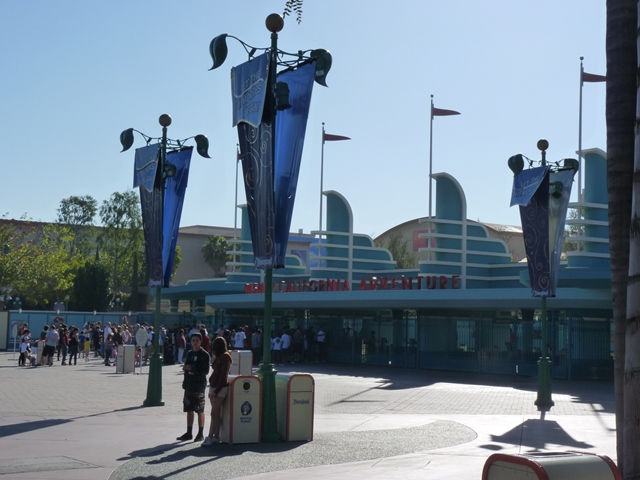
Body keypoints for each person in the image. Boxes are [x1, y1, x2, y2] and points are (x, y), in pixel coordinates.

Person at [177, 333, 210, 442]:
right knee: (189, 409)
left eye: (197, 340)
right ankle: (189, 432)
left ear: (200, 341)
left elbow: (205, 371)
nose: (195, 342)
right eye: (193, 340)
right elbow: (187, 366)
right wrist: (185, 368)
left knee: (199, 409)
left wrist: (192, 368)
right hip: (189, 385)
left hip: (199, 385)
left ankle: (200, 433)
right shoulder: (190, 353)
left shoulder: (204, 355)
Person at [202, 336, 232, 446]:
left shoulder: (225, 357)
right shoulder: (219, 356)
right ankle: (216, 436)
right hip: (214, 386)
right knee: (216, 413)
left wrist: (217, 390)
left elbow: (224, 375)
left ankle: (210, 436)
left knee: (214, 412)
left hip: (220, 387)